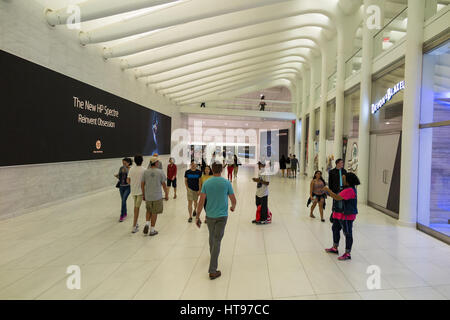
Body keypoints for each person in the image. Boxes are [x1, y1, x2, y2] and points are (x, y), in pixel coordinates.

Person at [196, 162, 236, 280]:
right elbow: (233, 199)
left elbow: (201, 201)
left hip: (210, 216)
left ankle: (212, 254)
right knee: (217, 240)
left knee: (212, 236)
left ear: (212, 170)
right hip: (222, 216)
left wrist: (197, 216)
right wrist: (233, 207)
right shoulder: (226, 183)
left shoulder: (207, 183)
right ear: (222, 170)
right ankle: (212, 270)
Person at [323, 172, 360, 261]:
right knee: (335, 229)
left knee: (347, 233)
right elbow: (337, 197)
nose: (342, 180)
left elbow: (337, 197)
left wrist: (329, 191)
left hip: (346, 216)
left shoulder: (350, 190)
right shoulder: (345, 188)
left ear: (348, 181)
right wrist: (328, 193)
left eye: (343, 179)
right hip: (339, 214)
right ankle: (335, 247)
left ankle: (347, 253)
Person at [141, 156, 168, 236]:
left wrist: (143, 194)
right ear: (156, 163)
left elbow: (142, 184)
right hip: (157, 196)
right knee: (154, 212)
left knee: (148, 210)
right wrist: (166, 194)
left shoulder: (145, 172)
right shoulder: (160, 172)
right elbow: (164, 185)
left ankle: (147, 224)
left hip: (148, 195)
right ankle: (152, 230)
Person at [127, 155, 146, 233]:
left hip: (133, 191)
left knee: (136, 208)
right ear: (142, 161)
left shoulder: (131, 169)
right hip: (140, 192)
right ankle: (134, 226)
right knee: (136, 209)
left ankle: (136, 223)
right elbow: (145, 182)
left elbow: (128, 180)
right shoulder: (144, 170)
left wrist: (132, 184)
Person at [115, 157, 132, 222]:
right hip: (121, 187)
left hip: (128, 187)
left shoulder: (131, 169)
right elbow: (119, 177)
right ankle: (125, 213)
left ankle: (122, 215)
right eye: (123, 163)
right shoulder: (121, 168)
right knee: (123, 201)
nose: (123, 164)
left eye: (125, 163)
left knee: (123, 200)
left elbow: (131, 178)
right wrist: (117, 176)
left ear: (128, 163)